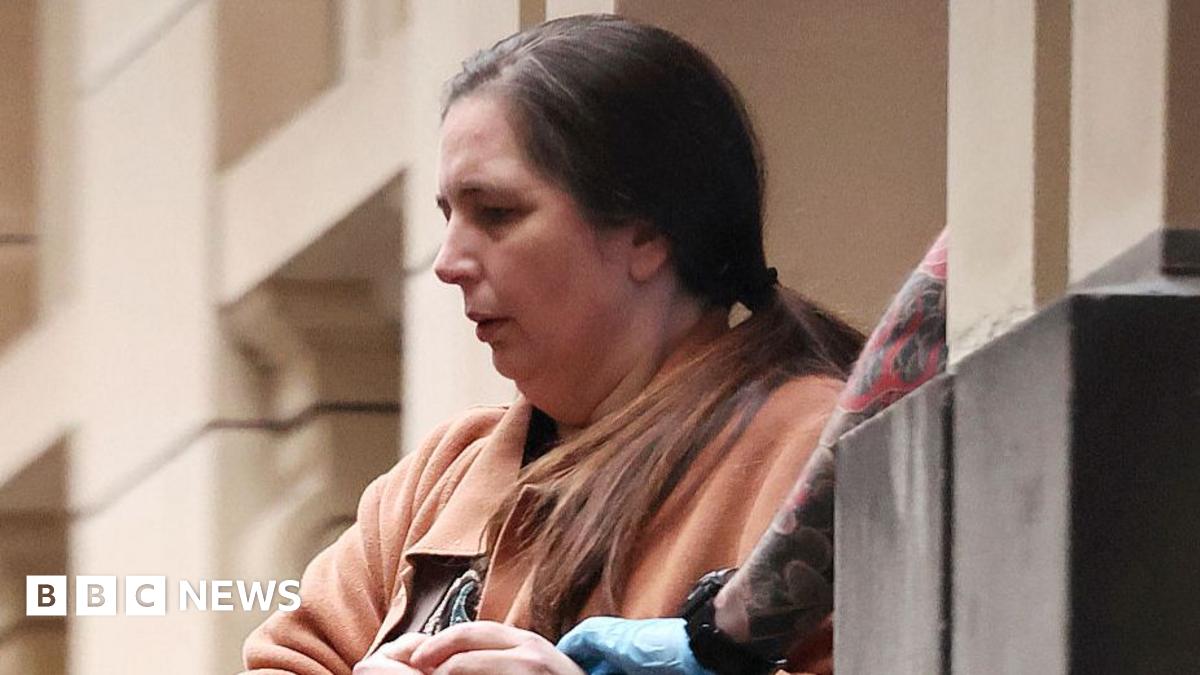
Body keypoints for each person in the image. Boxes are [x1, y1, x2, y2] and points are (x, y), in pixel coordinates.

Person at [242, 14, 862, 675]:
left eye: (496, 213)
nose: (447, 262)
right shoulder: (435, 482)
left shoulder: (823, 451)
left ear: (646, 231)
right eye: (449, 216)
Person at [557, 228, 948, 674]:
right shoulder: (494, 454)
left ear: (645, 237)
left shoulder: (800, 429)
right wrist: (720, 638)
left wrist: (720, 639)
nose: (463, 266)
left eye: (503, 215)